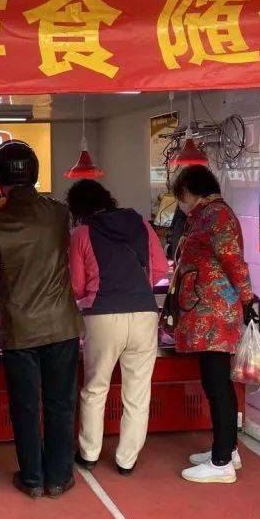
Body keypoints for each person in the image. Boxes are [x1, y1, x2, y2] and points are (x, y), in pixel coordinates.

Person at [0, 141, 83, 499]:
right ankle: (59, 476)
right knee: (60, 403)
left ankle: (32, 479)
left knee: (24, 404)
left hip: (20, 329)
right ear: (35, 173)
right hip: (62, 326)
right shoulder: (58, 212)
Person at [67, 180, 168, 475]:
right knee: (137, 391)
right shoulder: (140, 223)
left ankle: (89, 454)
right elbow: (161, 268)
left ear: (78, 208)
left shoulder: (82, 233)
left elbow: (76, 285)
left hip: (102, 316)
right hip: (144, 314)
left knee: (95, 387)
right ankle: (126, 459)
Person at [167, 165, 255, 484]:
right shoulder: (208, 214)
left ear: (190, 191)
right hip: (208, 311)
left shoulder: (216, 215)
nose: (181, 202)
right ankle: (227, 449)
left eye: (182, 196)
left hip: (215, 313)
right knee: (215, 382)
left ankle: (221, 464)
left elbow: (232, 259)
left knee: (217, 385)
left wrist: (247, 298)